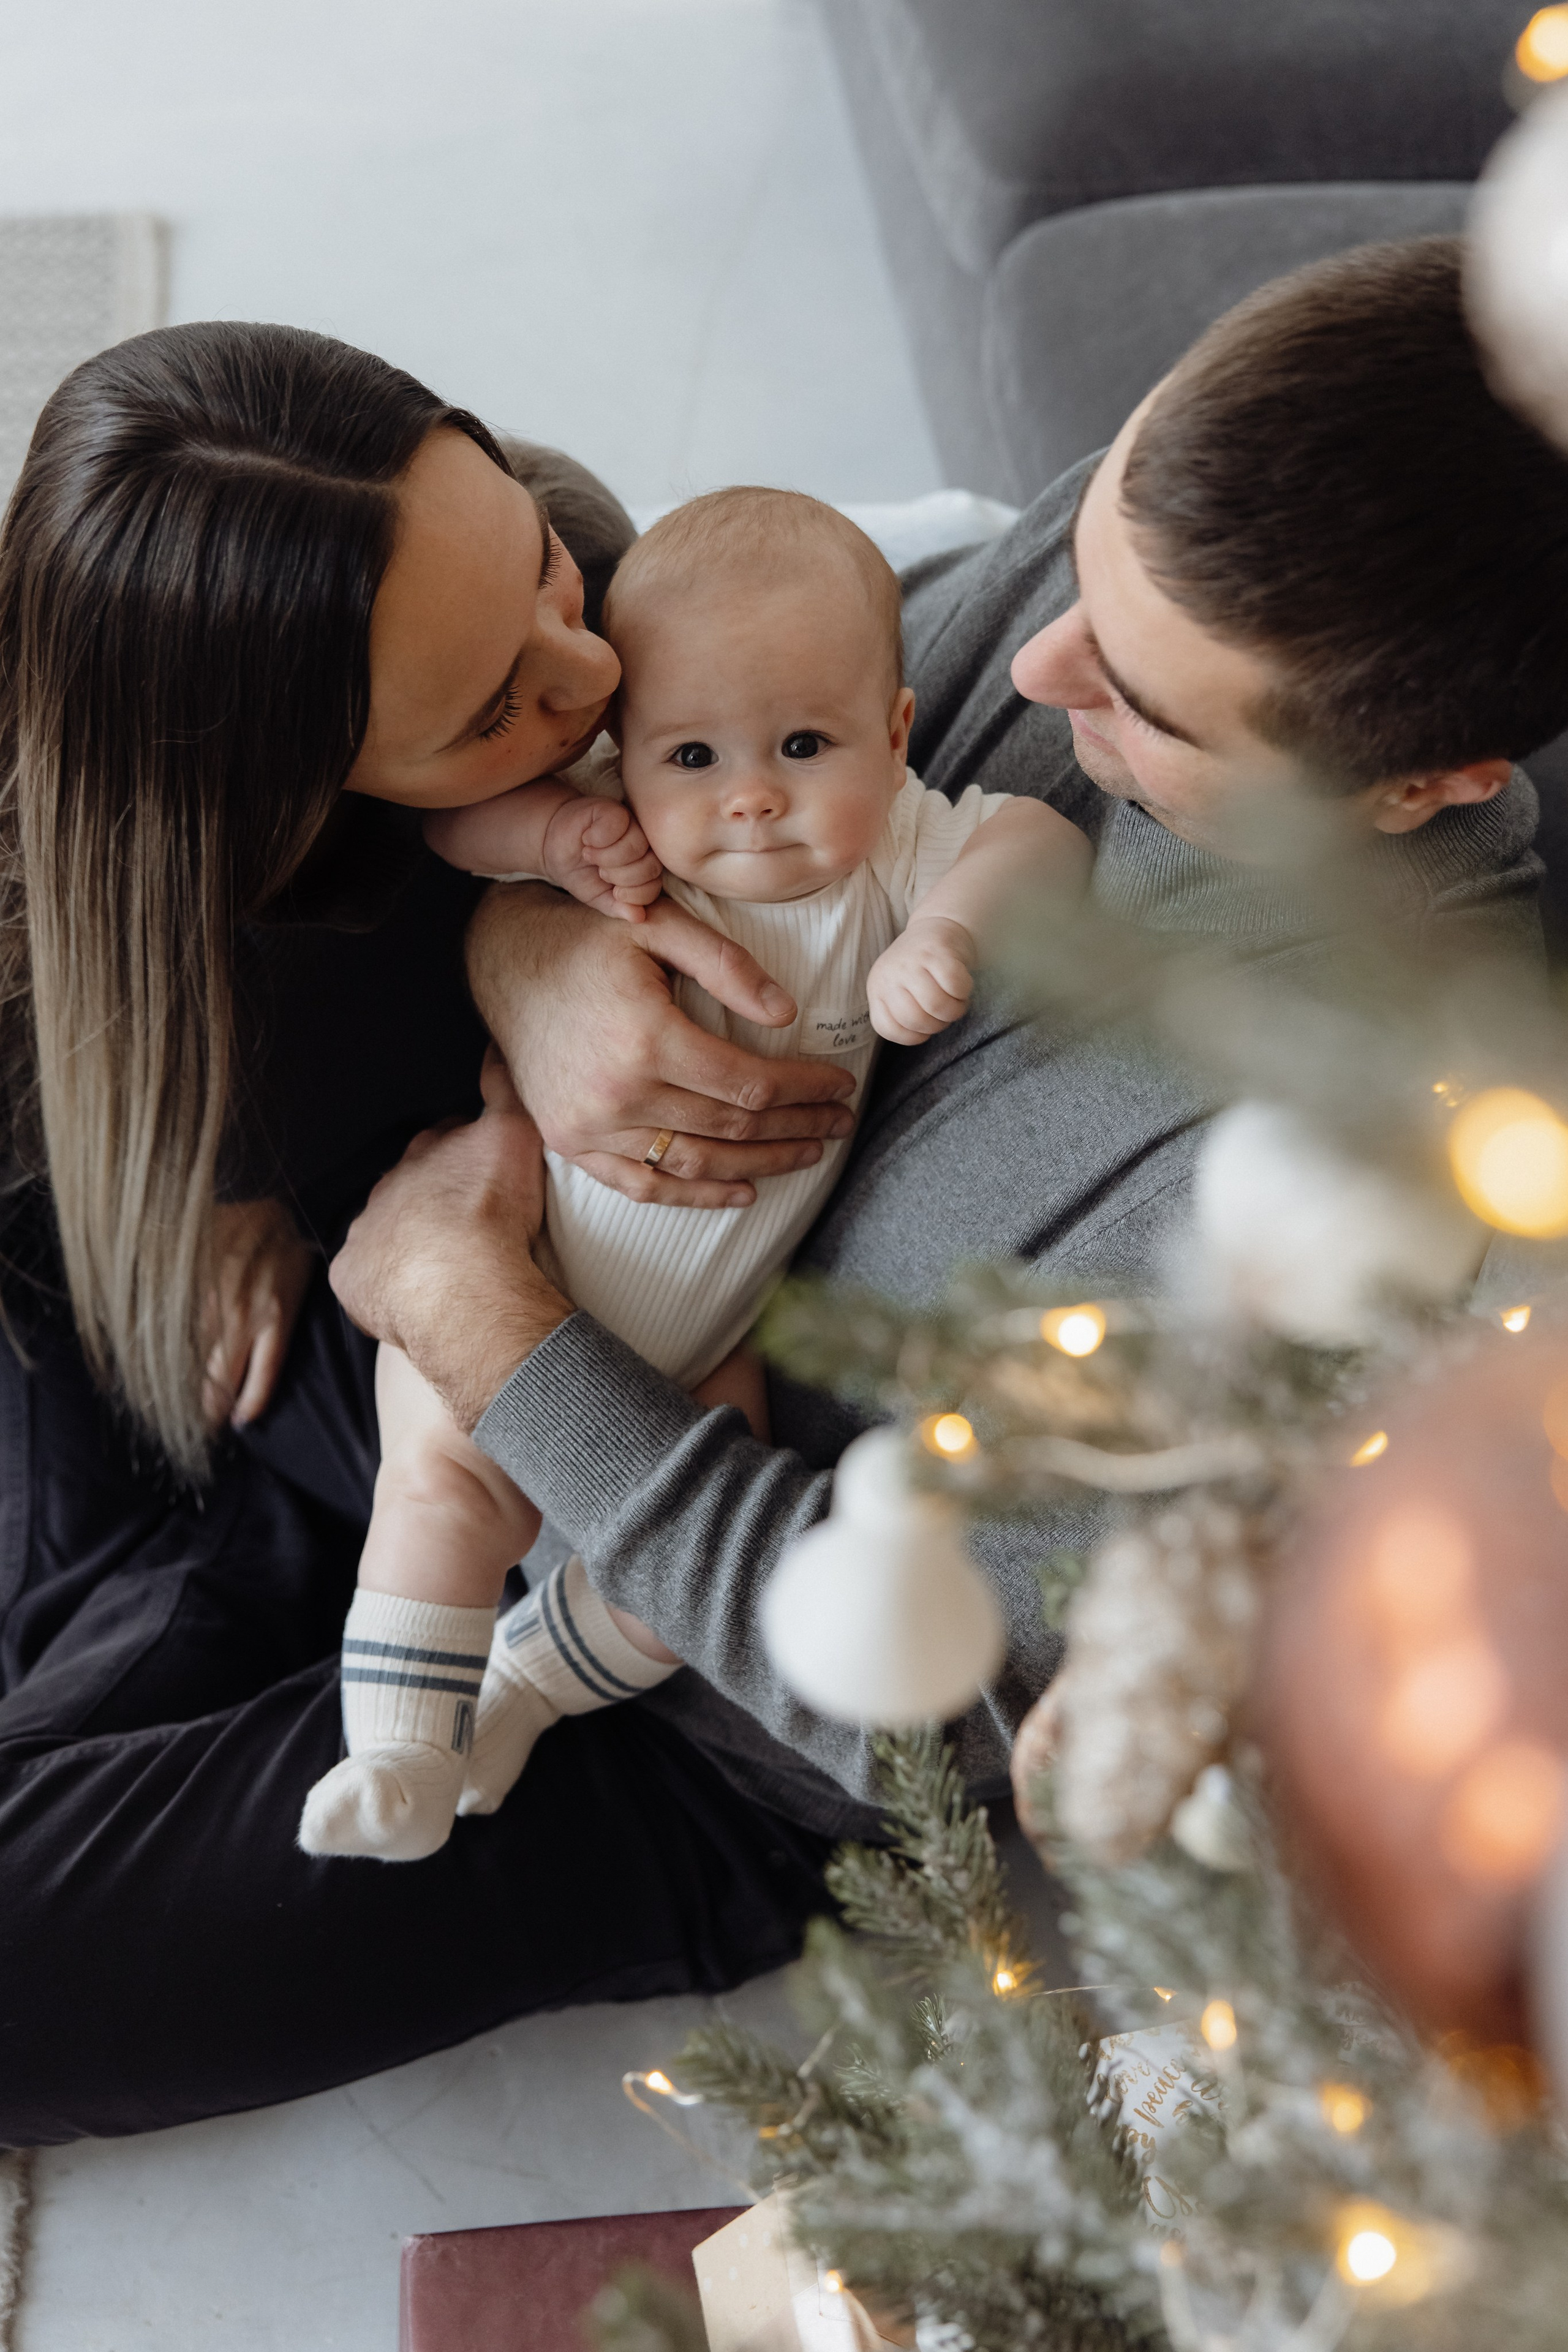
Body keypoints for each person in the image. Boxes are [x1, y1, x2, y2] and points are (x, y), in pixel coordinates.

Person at [0, 235, 1562, 2147]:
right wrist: (537, 959)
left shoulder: (1378, 1181)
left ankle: (159, 1578)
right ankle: (170, 1560)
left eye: (1137, 699)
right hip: (449, 1295)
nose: (1032, 660)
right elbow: (753, 707)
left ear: (1421, 785)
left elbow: (907, 1708)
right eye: (1080, 570)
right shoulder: (1168, 550)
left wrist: (490, 1328)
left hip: (650, 1699)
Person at [298, 486, 1087, 1862]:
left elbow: (1042, 842)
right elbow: (454, 832)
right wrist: (551, 842)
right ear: (625, 750)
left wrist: (944, 933)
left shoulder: (894, 843)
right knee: (439, 1504)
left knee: (670, 1595)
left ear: (890, 734)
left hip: (710, 1334)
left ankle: (520, 1696)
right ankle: (396, 1754)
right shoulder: (618, 819)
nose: (750, 796)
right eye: (691, 755)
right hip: (522, 1252)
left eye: (800, 744)